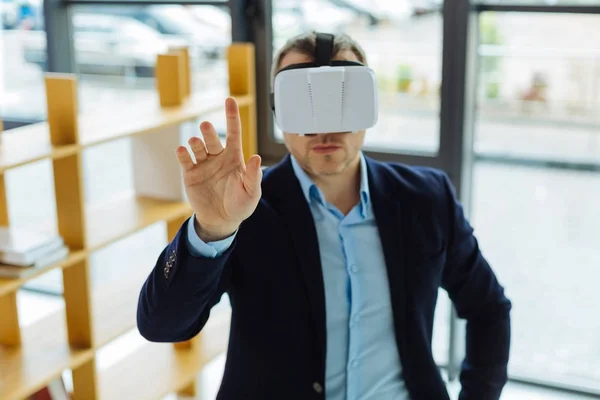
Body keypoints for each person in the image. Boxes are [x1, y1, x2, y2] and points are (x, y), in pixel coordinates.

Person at [137, 31, 511, 400]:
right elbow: (161, 326)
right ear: (278, 112)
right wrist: (213, 228)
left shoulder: (426, 199)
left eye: (343, 98)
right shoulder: (243, 207)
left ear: (370, 104)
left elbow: (488, 307)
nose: (323, 127)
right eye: (303, 103)